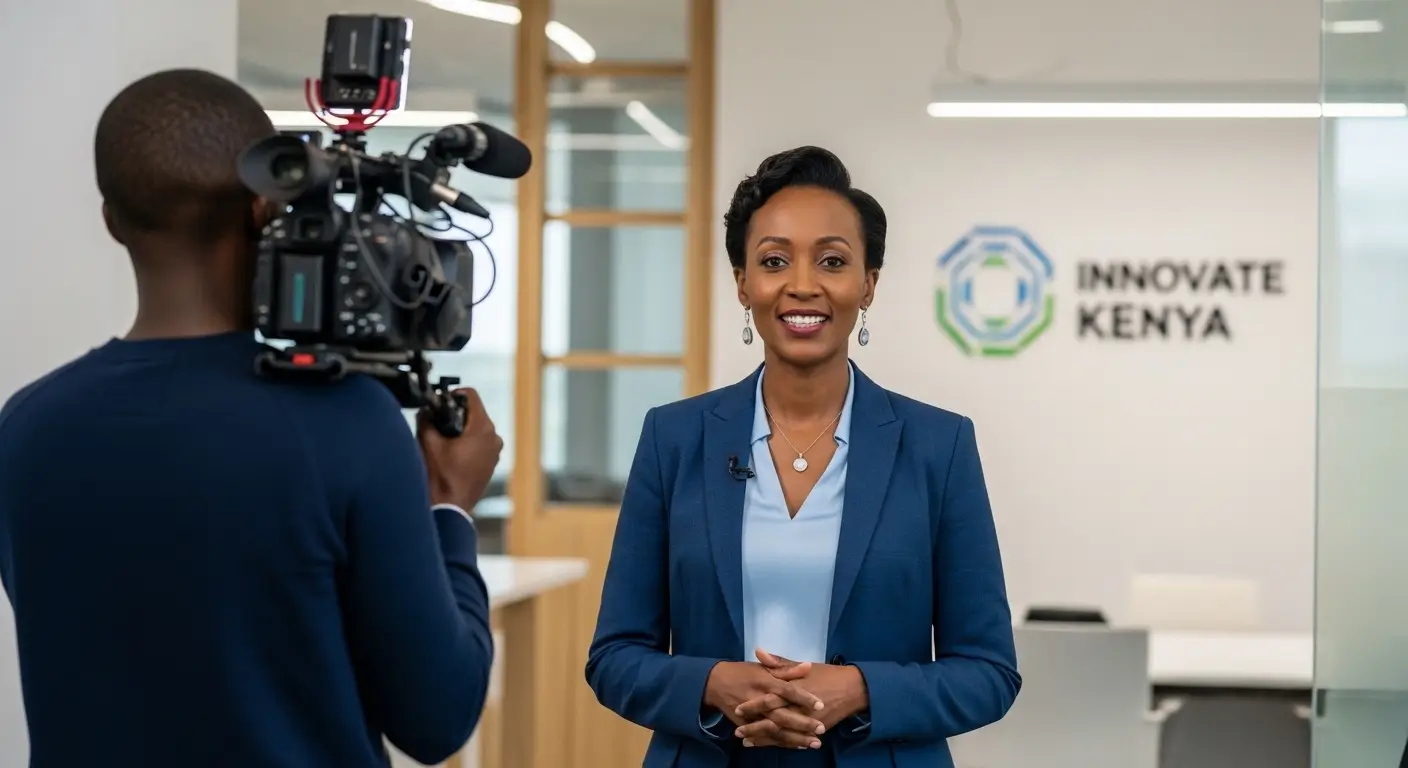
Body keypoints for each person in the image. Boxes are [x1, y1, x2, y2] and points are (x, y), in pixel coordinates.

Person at [0, 69, 500, 767]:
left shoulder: (24, 429)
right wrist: (451, 508)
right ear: (267, 210)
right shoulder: (347, 423)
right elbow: (438, 717)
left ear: (111, 222)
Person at [586, 146, 1020, 767]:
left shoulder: (938, 446)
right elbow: (615, 657)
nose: (802, 285)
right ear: (742, 282)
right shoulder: (673, 438)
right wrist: (713, 684)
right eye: (773, 261)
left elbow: (988, 672)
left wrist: (862, 689)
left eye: (833, 261)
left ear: (868, 283)